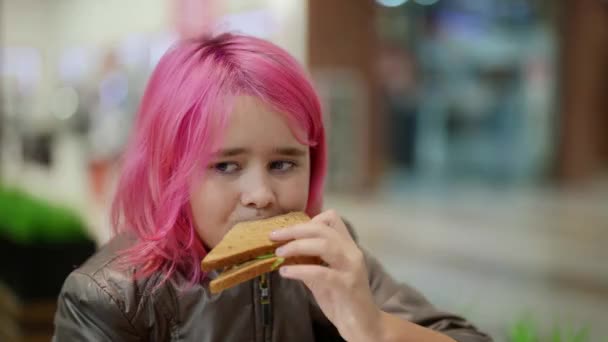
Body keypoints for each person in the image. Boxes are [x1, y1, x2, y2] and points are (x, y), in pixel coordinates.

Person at [52, 33, 492, 342]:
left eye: (283, 163)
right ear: (171, 171)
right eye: (226, 166)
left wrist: (374, 328)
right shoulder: (110, 297)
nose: (261, 194)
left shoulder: (323, 256)